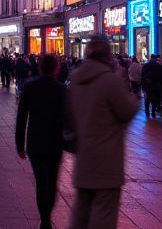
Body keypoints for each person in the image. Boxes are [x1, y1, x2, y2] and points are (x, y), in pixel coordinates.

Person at [65, 36, 140, 229]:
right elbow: (126, 112)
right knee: (104, 213)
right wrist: (132, 98)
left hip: (83, 156)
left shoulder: (75, 78)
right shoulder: (110, 79)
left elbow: (70, 115)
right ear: (107, 55)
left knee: (81, 212)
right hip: (106, 160)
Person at [16, 54, 67, 229]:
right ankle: (47, 216)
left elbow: (22, 117)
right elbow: (68, 119)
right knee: (52, 182)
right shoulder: (62, 89)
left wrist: (19, 144)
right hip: (55, 142)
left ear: (39, 68)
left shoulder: (30, 88)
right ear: (56, 69)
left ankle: (44, 218)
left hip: (35, 142)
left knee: (41, 182)